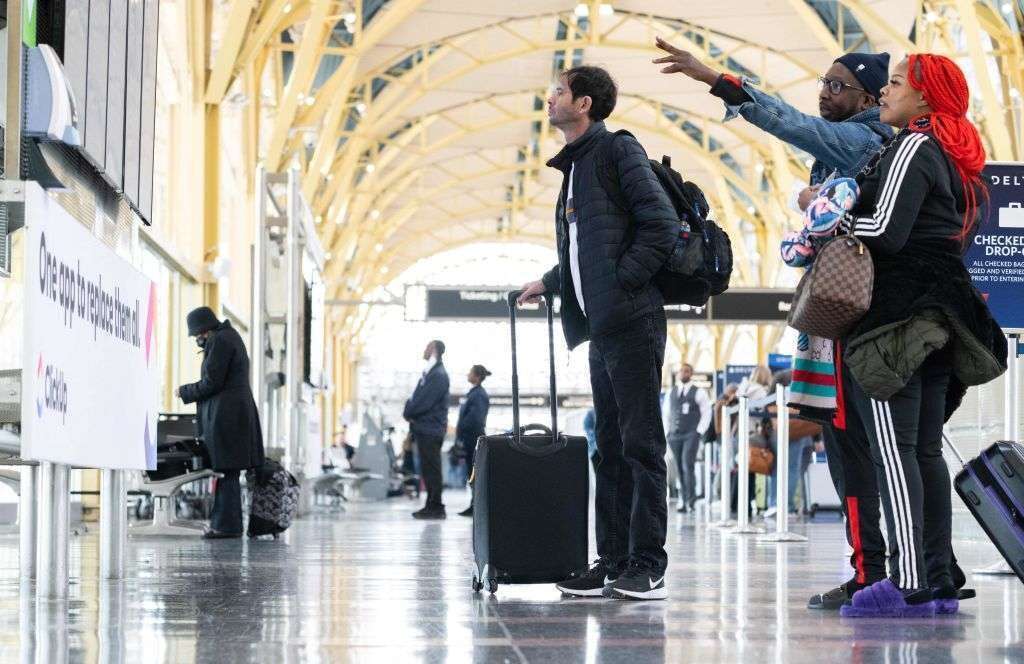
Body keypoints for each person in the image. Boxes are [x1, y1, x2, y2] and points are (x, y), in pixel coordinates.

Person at [654, 39, 895, 609]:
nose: (824, 91)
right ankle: (877, 568)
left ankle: (880, 571)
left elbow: (792, 124)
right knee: (851, 445)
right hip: (847, 316)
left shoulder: (864, 137)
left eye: (838, 85)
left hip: (854, 317)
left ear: (868, 96)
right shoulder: (860, 146)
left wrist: (718, 80)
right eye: (824, 80)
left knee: (858, 446)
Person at [837, 54, 1006, 618]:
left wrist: (829, 221)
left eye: (894, 83)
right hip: (943, 319)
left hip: (895, 321)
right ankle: (935, 577)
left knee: (894, 451)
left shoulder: (913, 145)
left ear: (926, 98)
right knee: (925, 451)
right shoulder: (960, 159)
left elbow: (885, 231)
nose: (883, 92)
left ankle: (906, 581)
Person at [517, 65, 678, 600]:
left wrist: (622, 284)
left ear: (583, 103)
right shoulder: (576, 168)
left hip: (632, 321)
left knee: (640, 445)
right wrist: (549, 280)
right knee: (608, 448)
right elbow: (589, 253)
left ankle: (648, 563)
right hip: (604, 328)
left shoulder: (616, 152)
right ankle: (610, 561)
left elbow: (660, 225)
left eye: (557, 92)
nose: (549, 99)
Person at [175, 306, 265, 539]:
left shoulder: (221, 341)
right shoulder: (227, 336)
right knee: (228, 471)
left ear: (205, 329)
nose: (197, 339)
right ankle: (228, 525)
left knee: (227, 470)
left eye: (197, 335)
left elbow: (212, 382)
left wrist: (184, 391)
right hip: (232, 415)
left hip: (228, 418)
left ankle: (226, 526)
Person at [403, 340, 451, 520]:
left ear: (434, 349)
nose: (423, 350)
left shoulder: (438, 375)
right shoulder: (432, 373)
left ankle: (436, 506)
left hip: (430, 429)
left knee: (432, 469)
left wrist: (408, 411)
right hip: (426, 428)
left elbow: (423, 401)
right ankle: (431, 504)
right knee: (428, 469)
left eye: (426, 347)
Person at [665, 364, 711, 513]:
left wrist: (699, 431)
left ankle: (690, 500)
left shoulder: (699, 392)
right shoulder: (671, 392)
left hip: (691, 434)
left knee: (687, 465)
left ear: (691, 373)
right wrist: (667, 432)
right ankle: (683, 500)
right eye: (682, 371)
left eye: (687, 371)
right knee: (678, 467)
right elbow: (666, 414)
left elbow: (706, 412)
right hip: (674, 435)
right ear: (678, 373)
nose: (684, 373)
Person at [456, 364, 491, 517]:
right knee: (471, 472)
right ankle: (473, 505)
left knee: (474, 472)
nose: (467, 375)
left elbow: (475, 418)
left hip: (473, 437)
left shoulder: (478, 395)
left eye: (470, 372)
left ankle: (476, 506)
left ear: (476, 376)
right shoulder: (474, 393)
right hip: (469, 437)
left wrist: (461, 427)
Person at [582, 408, 598, 473]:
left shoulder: (591, 412)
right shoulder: (591, 413)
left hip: (597, 447)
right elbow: (587, 428)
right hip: (595, 450)